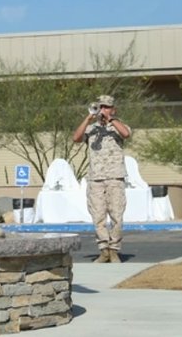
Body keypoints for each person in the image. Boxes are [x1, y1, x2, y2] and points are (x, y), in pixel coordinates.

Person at [72, 94, 132, 263]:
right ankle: (104, 249)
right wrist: (88, 119)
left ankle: (114, 250)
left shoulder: (118, 126)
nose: (103, 110)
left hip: (115, 176)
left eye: (107, 107)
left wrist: (111, 120)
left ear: (113, 109)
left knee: (117, 216)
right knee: (97, 216)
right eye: (101, 107)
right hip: (96, 178)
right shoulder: (91, 129)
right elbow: (76, 138)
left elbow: (126, 134)